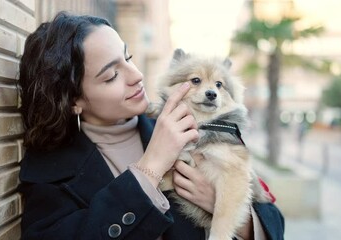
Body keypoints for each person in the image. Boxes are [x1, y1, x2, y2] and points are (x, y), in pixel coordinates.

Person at [17, 11, 284, 240]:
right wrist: (151, 167)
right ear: (73, 100)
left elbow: (274, 219)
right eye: (112, 75)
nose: (137, 75)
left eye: (128, 57)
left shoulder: (190, 125)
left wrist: (222, 209)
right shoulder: (50, 168)